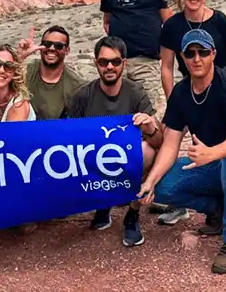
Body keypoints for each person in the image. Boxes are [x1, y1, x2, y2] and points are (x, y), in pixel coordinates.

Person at [138, 29, 226, 275]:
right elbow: (170, 143)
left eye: (203, 52)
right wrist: (152, 180)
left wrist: (211, 153)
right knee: (163, 187)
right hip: (212, 164)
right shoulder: (180, 93)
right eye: (190, 53)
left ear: (213, 54)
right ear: (182, 57)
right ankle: (217, 210)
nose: (197, 58)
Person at [157, 0, 226, 227]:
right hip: (190, 90)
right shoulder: (173, 26)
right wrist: (173, 99)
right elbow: (166, 66)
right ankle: (182, 200)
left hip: (222, 89)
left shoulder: (220, 22)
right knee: (170, 138)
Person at [65, 36, 163, 247]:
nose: (109, 67)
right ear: (96, 64)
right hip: (94, 159)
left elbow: (158, 141)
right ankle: (103, 203)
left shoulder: (135, 92)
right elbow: (67, 136)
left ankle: (133, 213)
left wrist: (150, 127)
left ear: (124, 63)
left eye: (115, 62)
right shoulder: (83, 95)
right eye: (103, 62)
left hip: (125, 157)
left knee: (149, 152)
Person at [100, 0, 171, 118]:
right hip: (115, 63)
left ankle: (155, 146)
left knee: (153, 112)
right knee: (116, 112)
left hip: (146, 62)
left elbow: (168, 22)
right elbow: (107, 21)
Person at [16, 25, 81, 120]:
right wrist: (20, 57)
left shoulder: (76, 86)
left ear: (67, 51)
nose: (51, 48)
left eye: (59, 46)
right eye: (47, 44)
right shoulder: (26, 72)